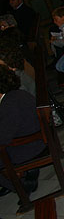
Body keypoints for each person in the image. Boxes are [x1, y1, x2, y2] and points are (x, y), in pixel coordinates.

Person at [0, 64, 43, 197]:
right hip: (32, 140)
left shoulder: (10, 103)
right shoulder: (16, 95)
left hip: (27, 147)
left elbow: (3, 138)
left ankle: (21, 186)